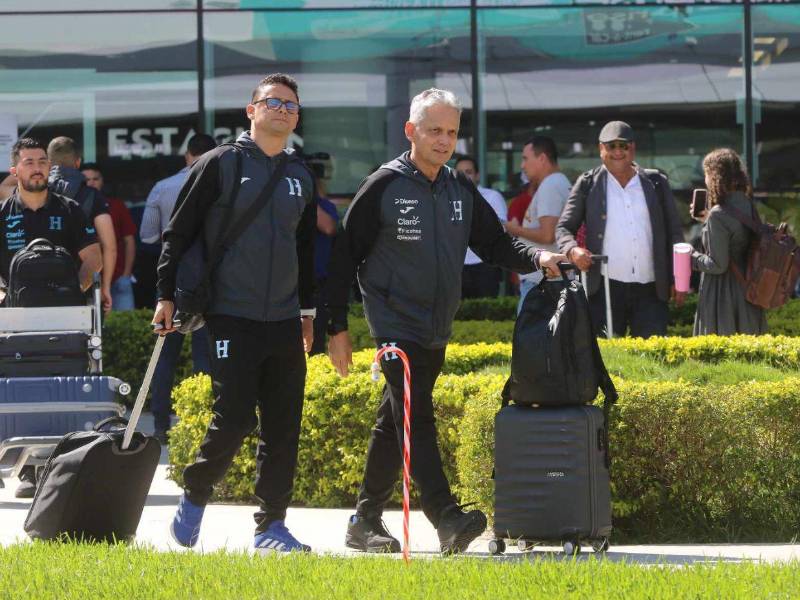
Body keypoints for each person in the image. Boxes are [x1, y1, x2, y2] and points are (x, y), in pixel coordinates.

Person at [325, 88, 565, 555]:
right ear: (411, 131)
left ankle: (364, 520)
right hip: (394, 323)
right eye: (434, 130)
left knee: (394, 419)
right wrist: (337, 326)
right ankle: (446, 516)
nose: (444, 140)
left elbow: (496, 244)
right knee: (415, 417)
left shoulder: (459, 188)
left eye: (451, 132)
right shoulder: (383, 185)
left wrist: (539, 256)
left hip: (436, 324)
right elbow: (343, 258)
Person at [152, 73, 316, 553]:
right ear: (251, 110)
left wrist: (307, 312)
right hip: (230, 313)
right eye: (273, 102)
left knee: (284, 425)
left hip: (284, 318)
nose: (283, 110)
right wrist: (165, 295)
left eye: (291, 105)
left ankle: (272, 527)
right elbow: (177, 234)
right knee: (235, 418)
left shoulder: (300, 175)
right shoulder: (219, 163)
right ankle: (196, 493)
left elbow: (304, 251)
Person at [1, 138, 101, 498]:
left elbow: (92, 258)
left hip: (64, 318)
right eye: (29, 162)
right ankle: (27, 470)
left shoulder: (71, 209)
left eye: (42, 160)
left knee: (62, 388)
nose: (37, 166)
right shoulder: (3, 214)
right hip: (14, 320)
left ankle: (58, 468)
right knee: (23, 388)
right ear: (16, 170)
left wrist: (72, 295)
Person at [556, 121, 685, 338]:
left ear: (633, 148)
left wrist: (680, 279)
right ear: (600, 149)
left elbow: (675, 233)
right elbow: (563, 228)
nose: (617, 152)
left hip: (651, 288)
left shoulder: (656, 182)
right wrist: (573, 250)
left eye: (623, 146)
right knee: (606, 358)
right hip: (604, 286)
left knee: (650, 359)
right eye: (611, 146)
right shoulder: (588, 183)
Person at [140, 134, 217, 443]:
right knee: (204, 356)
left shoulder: (163, 188)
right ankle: (199, 424)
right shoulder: (223, 186)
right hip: (209, 282)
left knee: (165, 356)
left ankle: (160, 425)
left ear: (188, 155)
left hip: (170, 279)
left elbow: (147, 236)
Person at [692, 148, 767, 335]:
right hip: (748, 289)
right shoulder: (746, 203)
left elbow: (717, 265)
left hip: (723, 295)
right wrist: (707, 222)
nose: (705, 181)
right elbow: (736, 236)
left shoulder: (718, 215)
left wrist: (689, 256)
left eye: (707, 175)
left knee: (719, 356)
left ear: (715, 176)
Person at [47, 137, 116, 312]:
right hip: (82, 285)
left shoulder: (36, 190)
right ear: (78, 162)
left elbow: (4, 187)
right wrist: (106, 286)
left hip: (37, 283)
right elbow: (110, 246)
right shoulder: (92, 195)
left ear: (48, 162)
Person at [505, 136, 570, 311]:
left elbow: (547, 235)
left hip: (542, 283)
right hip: (547, 280)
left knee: (529, 337)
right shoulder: (558, 182)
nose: (522, 166)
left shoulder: (551, 185)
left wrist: (513, 228)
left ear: (541, 158)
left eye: (526, 158)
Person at [82, 163, 137, 311]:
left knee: (125, 323)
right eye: (87, 180)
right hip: (86, 279)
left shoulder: (117, 205)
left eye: (96, 179)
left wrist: (126, 273)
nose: (92, 183)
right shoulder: (73, 205)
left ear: (102, 181)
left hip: (118, 276)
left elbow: (129, 241)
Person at [455, 155, 508, 298]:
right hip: (457, 266)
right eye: (459, 173)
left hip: (486, 264)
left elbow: (501, 230)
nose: (464, 176)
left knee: (489, 313)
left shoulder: (493, 197)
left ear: (477, 175)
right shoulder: (447, 199)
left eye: (468, 172)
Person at [308, 159, 339, 357]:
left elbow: (328, 227)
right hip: (290, 286)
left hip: (317, 285)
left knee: (315, 346)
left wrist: (308, 197)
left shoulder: (322, 205)